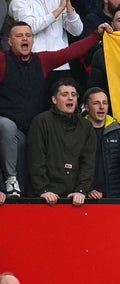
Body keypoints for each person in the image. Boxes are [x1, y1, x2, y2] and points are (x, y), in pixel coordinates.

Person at [0, 21, 106, 197]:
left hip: (36, 127)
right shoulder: (3, 60)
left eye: (28, 35)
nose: (25, 39)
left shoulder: (42, 60)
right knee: (7, 128)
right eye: (19, 36)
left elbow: (71, 52)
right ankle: (10, 180)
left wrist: (97, 35)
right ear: (10, 41)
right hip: (11, 128)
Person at [28, 78, 96, 206]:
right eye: (64, 94)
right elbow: (36, 159)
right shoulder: (41, 121)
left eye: (73, 94)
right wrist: (43, 189)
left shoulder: (86, 126)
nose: (70, 98)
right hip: (44, 198)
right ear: (54, 100)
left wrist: (81, 190)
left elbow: (88, 163)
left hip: (74, 198)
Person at [84, 87, 120, 203]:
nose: (102, 107)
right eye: (96, 103)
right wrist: (86, 190)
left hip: (115, 196)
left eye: (105, 103)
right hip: (86, 198)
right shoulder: (78, 130)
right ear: (86, 107)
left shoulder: (119, 130)